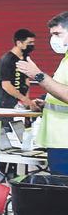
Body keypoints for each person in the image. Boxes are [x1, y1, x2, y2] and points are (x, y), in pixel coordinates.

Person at [17, 11, 68, 174]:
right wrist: (48, 103)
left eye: (58, 34)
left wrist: (39, 76)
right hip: (59, 140)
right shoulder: (66, 59)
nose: (53, 39)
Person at [0, 29, 38, 109]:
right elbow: (6, 85)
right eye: (29, 43)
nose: (32, 45)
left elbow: (26, 80)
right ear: (19, 43)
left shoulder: (25, 57)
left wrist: (26, 100)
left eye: (33, 42)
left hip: (20, 104)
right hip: (5, 105)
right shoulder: (7, 60)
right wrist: (25, 99)